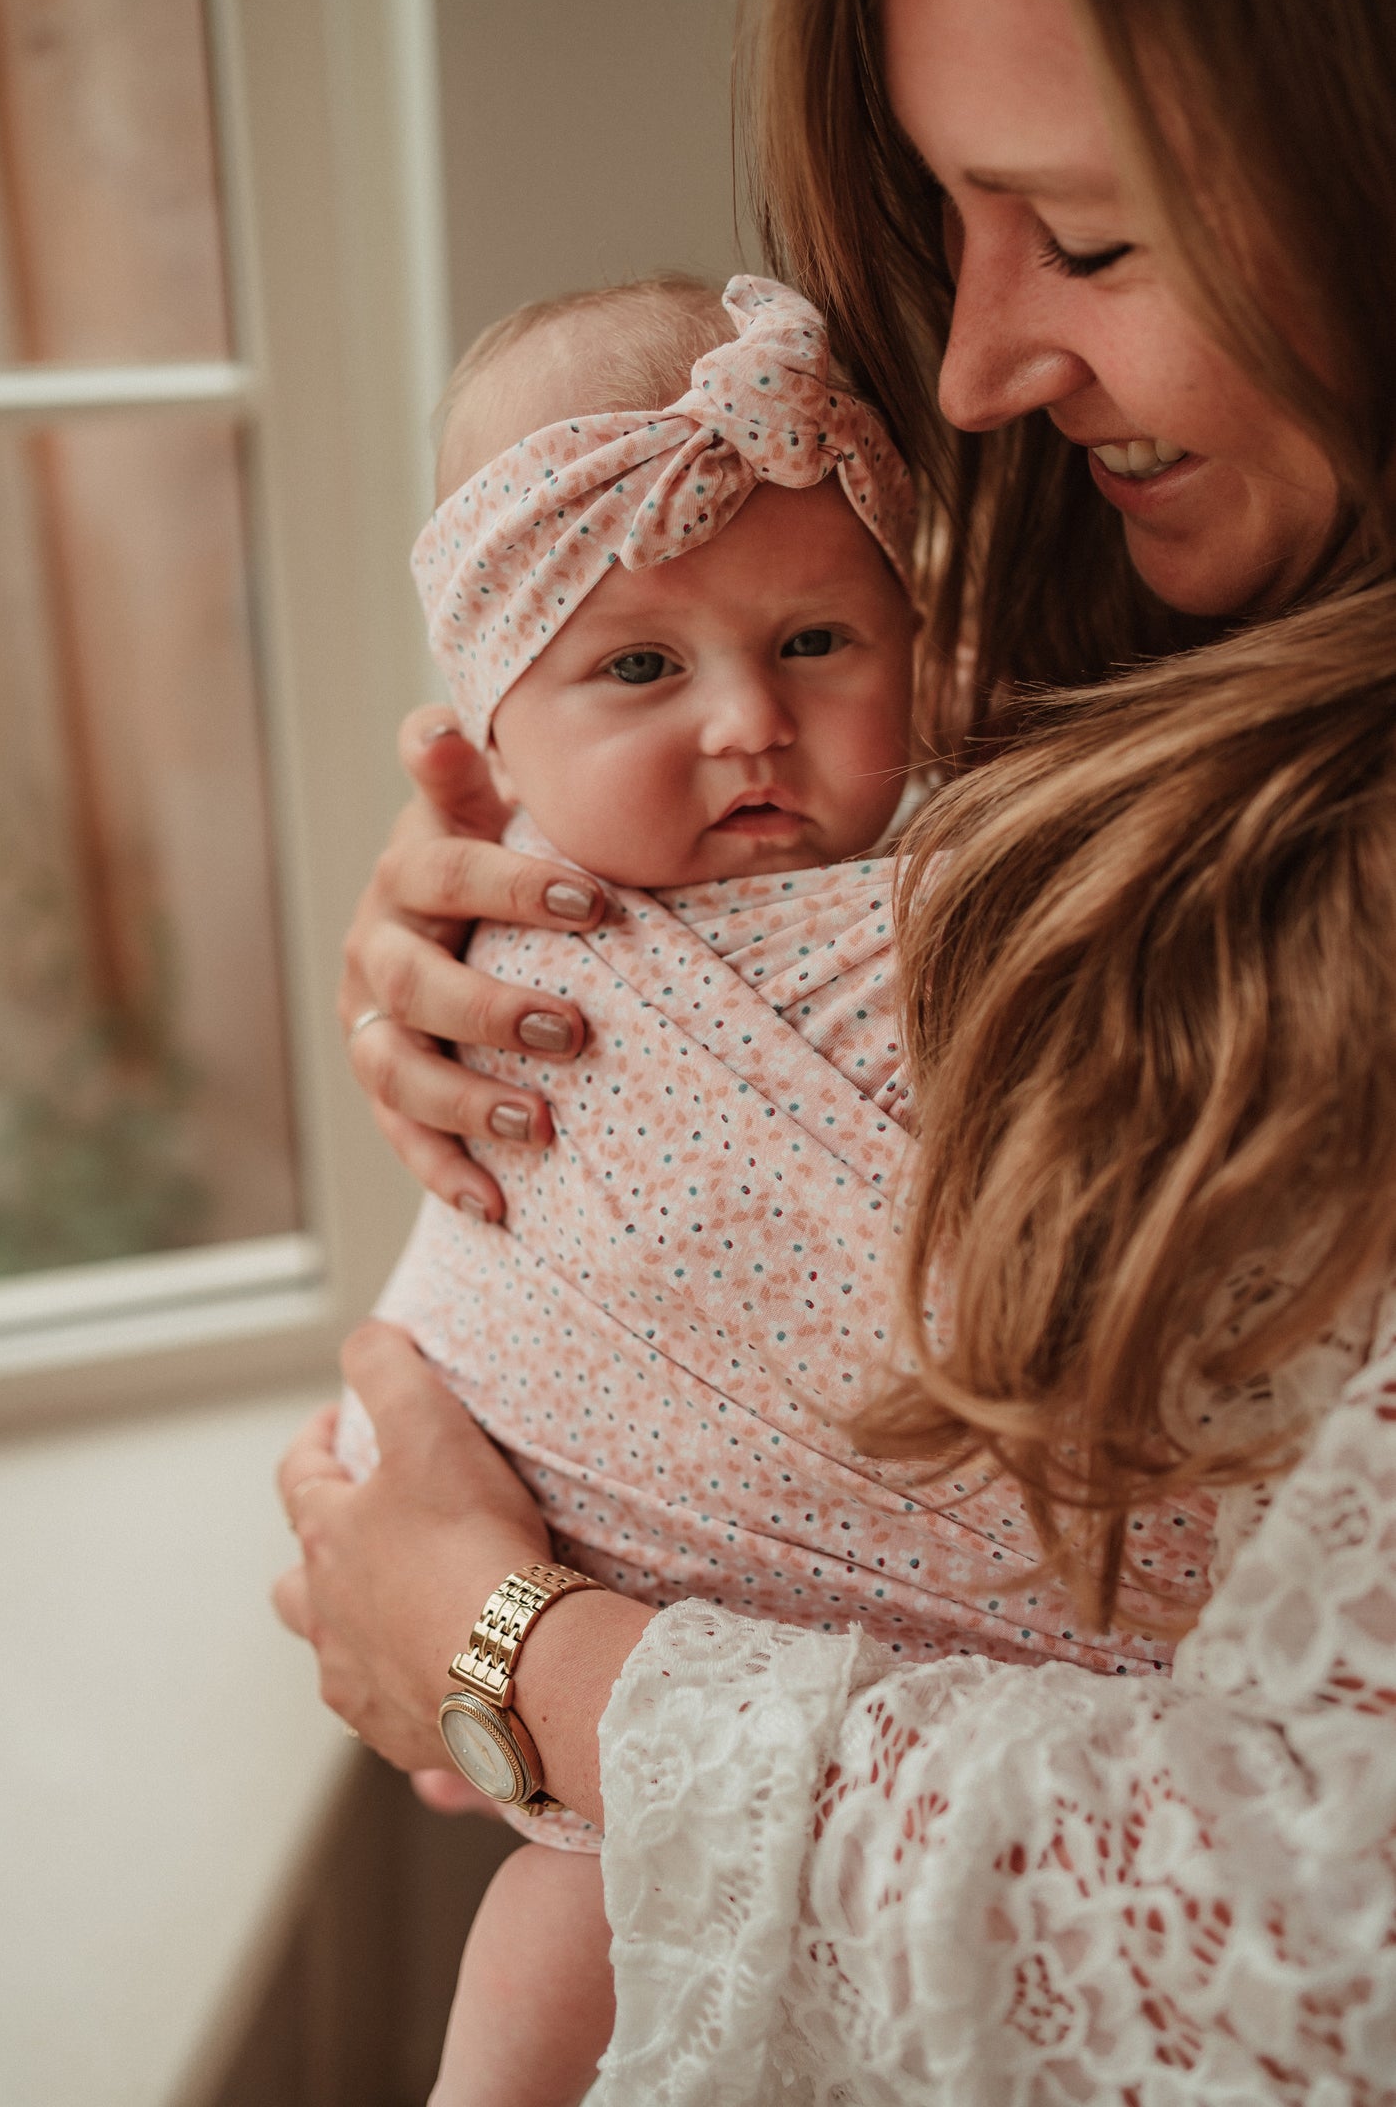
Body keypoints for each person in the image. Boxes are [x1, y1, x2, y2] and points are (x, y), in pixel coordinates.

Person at [276, 0, 1396, 2097]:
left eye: (1087, 235)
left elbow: (1329, 1926)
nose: (968, 367)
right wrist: (531, 934)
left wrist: (522, 1657)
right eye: (946, 219)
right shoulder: (1091, 622)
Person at [341, 269, 1211, 2106]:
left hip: (989, 1740)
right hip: (607, 1665)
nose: (746, 720)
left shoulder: (1007, 894)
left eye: (816, 641)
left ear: (923, 653)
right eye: (638, 667)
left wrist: (495, 1649)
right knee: (545, 1963)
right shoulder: (491, 952)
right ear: (487, 735)